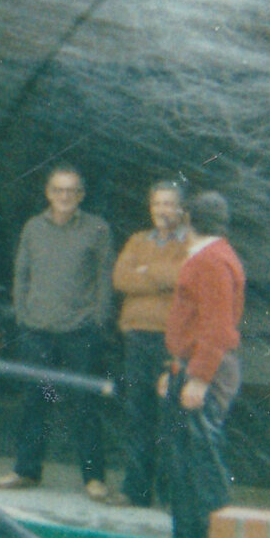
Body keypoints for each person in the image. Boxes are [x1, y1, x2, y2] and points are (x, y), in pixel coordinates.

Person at [0, 165, 114, 500]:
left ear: (81, 195)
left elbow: (104, 279)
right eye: (58, 190)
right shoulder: (34, 228)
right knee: (36, 401)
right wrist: (23, 313)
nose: (64, 197)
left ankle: (94, 478)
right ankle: (26, 470)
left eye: (71, 191)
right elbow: (22, 273)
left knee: (83, 404)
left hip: (79, 332)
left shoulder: (97, 229)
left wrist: (98, 320)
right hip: (37, 331)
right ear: (48, 193)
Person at [158, 190, 245, 538]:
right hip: (191, 366)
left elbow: (216, 327)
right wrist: (175, 367)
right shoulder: (214, 256)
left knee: (201, 462)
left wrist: (198, 378)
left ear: (188, 220)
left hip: (203, 370)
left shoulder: (210, 261)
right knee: (187, 460)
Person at [111, 179, 191, 508]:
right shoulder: (136, 240)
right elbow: (120, 279)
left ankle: (171, 492)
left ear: (182, 209)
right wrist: (161, 277)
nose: (162, 211)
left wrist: (146, 272)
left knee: (171, 416)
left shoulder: (189, 245)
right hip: (136, 338)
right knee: (137, 415)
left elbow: (183, 276)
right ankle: (136, 490)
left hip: (171, 340)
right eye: (157, 204)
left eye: (169, 204)